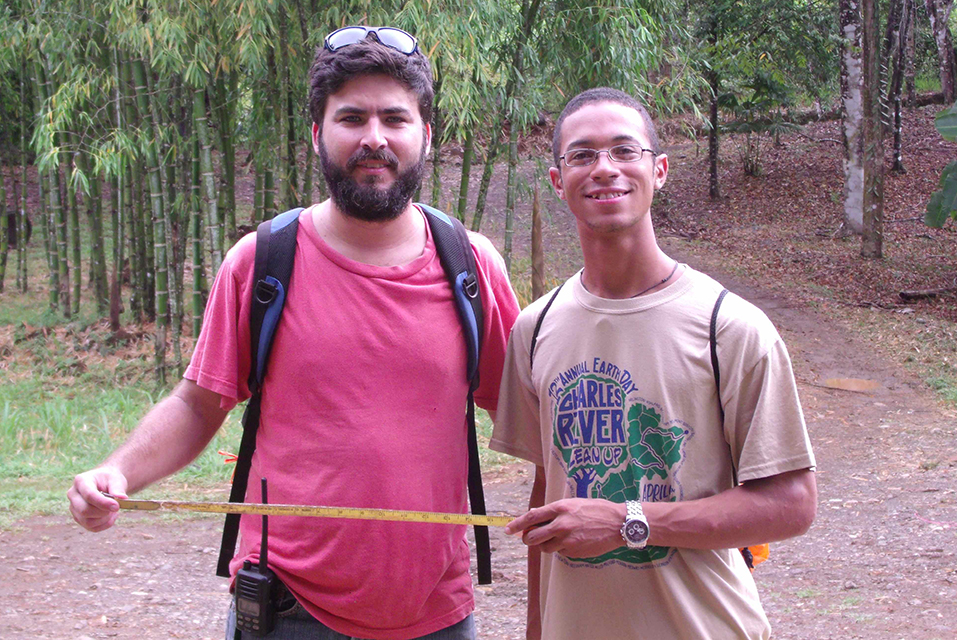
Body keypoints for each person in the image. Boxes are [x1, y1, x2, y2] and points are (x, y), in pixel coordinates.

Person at [68, 26, 520, 640]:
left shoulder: (471, 266)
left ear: (426, 136)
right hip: (286, 611)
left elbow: (529, 416)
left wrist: (635, 505)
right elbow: (198, 405)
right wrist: (116, 473)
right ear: (317, 134)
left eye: (395, 117)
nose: (374, 138)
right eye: (351, 117)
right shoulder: (261, 263)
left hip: (435, 613)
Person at [490, 87, 817, 639]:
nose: (604, 169)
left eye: (625, 151)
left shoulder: (729, 327)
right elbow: (548, 492)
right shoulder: (535, 328)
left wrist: (627, 522)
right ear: (557, 180)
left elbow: (791, 504)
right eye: (582, 155)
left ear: (659, 170)